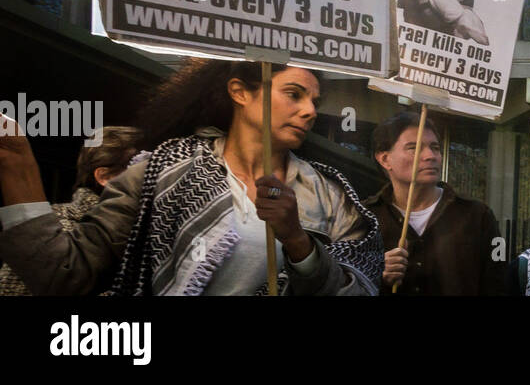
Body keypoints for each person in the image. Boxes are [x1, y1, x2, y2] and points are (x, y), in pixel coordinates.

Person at [0, 59, 382, 295]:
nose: (309, 111)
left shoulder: (330, 195)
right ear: (240, 92)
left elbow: (359, 290)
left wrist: (299, 242)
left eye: (314, 102)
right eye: (294, 94)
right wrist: (19, 172)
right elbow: (67, 275)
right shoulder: (162, 172)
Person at [363, 112, 506, 295]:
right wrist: (377, 276)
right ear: (385, 159)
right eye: (414, 148)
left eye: (435, 147)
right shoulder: (365, 218)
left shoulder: (477, 215)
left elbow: (498, 284)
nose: (430, 156)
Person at [0, 126, 140, 296]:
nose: (153, 177)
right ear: (105, 177)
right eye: (137, 167)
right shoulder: (59, 224)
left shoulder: (144, 228)